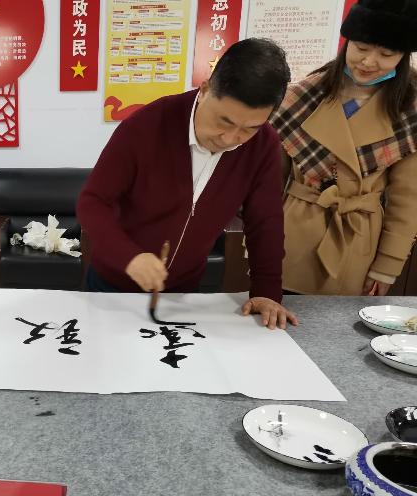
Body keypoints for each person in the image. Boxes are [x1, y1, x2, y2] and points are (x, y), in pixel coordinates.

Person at [78, 38, 297, 330]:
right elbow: (93, 202)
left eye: (249, 128)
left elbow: (265, 221)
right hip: (113, 285)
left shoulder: (263, 145)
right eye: (223, 121)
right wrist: (128, 257)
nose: (231, 139)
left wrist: (266, 291)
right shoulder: (148, 125)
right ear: (205, 90)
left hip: (184, 291)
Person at [270, 0, 417, 296]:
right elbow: (269, 181)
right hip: (292, 234)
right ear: (347, 41)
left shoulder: (409, 109)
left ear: (402, 57)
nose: (369, 62)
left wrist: (387, 265)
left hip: (356, 241)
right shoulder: (302, 95)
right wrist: (258, 242)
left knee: (339, 322)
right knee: (276, 316)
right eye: (361, 48)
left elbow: (408, 199)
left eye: (386, 54)